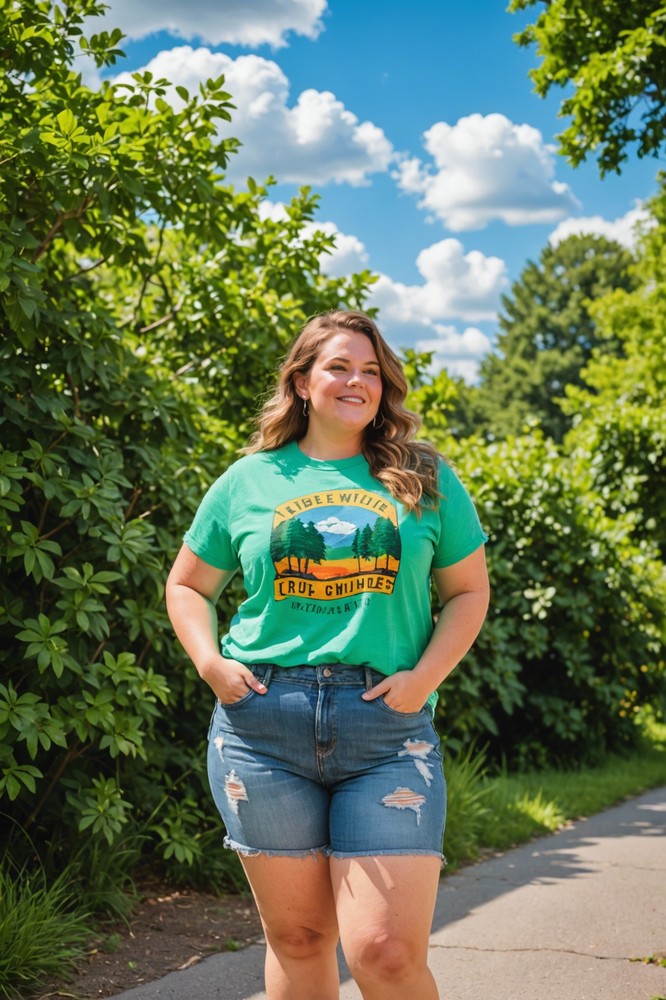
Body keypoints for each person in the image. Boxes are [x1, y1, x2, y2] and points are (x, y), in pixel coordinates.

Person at [166, 309, 489, 1000]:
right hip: (261, 729)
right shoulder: (249, 480)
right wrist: (211, 664)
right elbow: (189, 585)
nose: (357, 381)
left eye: (371, 370)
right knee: (301, 939)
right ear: (303, 382)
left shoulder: (423, 477)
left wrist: (423, 680)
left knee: (387, 952)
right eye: (339, 366)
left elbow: (468, 593)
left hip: (387, 731)